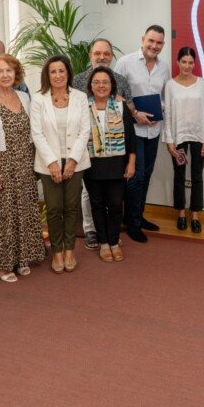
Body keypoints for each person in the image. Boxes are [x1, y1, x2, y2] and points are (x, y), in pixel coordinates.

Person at [0, 54, 44, 282]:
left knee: (24, 211)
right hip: (1, 165)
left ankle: (21, 258)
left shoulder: (24, 97)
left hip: (25, 163)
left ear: (16, 74)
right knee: (3, 216)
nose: (5, 75)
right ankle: (3, 266)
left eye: (9, 71)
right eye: (0, 71)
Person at [31, 55, 91, 273]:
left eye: (61, 71)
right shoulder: (38, 99)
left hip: (76, 162)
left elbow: (85, 130)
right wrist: (52, 163)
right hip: (49, 164)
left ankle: (69, 249)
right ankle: (56, 251)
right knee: (55, 208)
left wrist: (73, 160)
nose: (57, 75)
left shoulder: (80, 97)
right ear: (47, 75)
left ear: (68, 73)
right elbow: (36, 133)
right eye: (53, 72)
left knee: (71, 207)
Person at [73, 38, 133, 250]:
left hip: (115, 151)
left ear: (111, 56)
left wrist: (131, 110)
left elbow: (129, 109)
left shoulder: (121, 80)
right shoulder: (77, 80)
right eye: (97, 53)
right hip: (88, 151)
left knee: (113, 199)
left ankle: (110, 233)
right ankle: (91, 230)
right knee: (89, 195)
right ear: (90, 55)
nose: (102, 57)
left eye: (106, 53)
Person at [114, 25, 170, 242]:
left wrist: (160, 110)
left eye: (159, 43)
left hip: (153, 130)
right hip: (132, 130)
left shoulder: (164, 67)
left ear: (163, 45)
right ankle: (133, 224)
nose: (154, 46)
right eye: (151, 41)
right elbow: (115, 94)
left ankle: (137, 216)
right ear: (143, 39)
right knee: (135, 177)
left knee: (146, 175)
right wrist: (135, 113)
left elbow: (164, 96)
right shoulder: (125, 62)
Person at [83, 67, 137, 262]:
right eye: (97, 82)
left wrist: (131, 163)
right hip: (91, 164)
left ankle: (114, 241)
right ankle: (104, 243)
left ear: (112, 85)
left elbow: (131, 138)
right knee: (97, 205)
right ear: (90, 85)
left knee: (115, 205)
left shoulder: (121, 107)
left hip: (116, 165)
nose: (101, 86)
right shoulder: (83, 107)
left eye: (105, 82)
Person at [163, 47, 204, 233]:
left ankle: (196, 214)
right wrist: (170, 140)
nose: (187, 66)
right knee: (180, 175)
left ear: (194, 64)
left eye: (190, 62)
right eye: (183, 61)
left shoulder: (202, 84)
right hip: (179, 139)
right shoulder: (170, 85)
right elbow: (167, 114)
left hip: (199, 137)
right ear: (178, 62)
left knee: (197, 176)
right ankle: (181, 213)